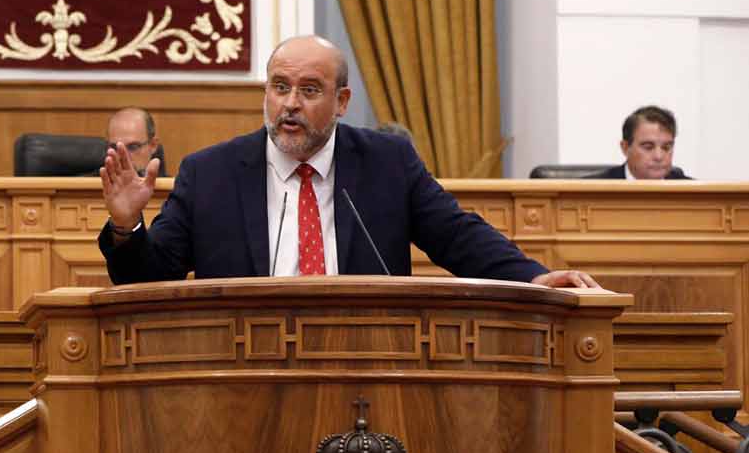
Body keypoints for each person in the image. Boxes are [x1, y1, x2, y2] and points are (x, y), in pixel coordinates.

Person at [98, 35, 598, 288]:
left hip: (367, 361)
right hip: (245, 366)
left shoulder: (385, 162)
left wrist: (534, 278)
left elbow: (457, 236)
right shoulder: (212, 172)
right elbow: (149, 280)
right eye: (280, 87)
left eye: (309, 90)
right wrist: (126, 227)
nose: (290, 103)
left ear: (341, 102)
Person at [589, 106, 689, 180]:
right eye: (648, 147)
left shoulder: (693, 194)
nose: (659, 157)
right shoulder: (590, 190)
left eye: (666, 148)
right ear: (625, 148)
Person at [106, 106, 161, 175]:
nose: (122, 157)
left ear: (153, 145)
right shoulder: (93, 183)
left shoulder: (171, 185)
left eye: (133, 147)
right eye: (115, 148)